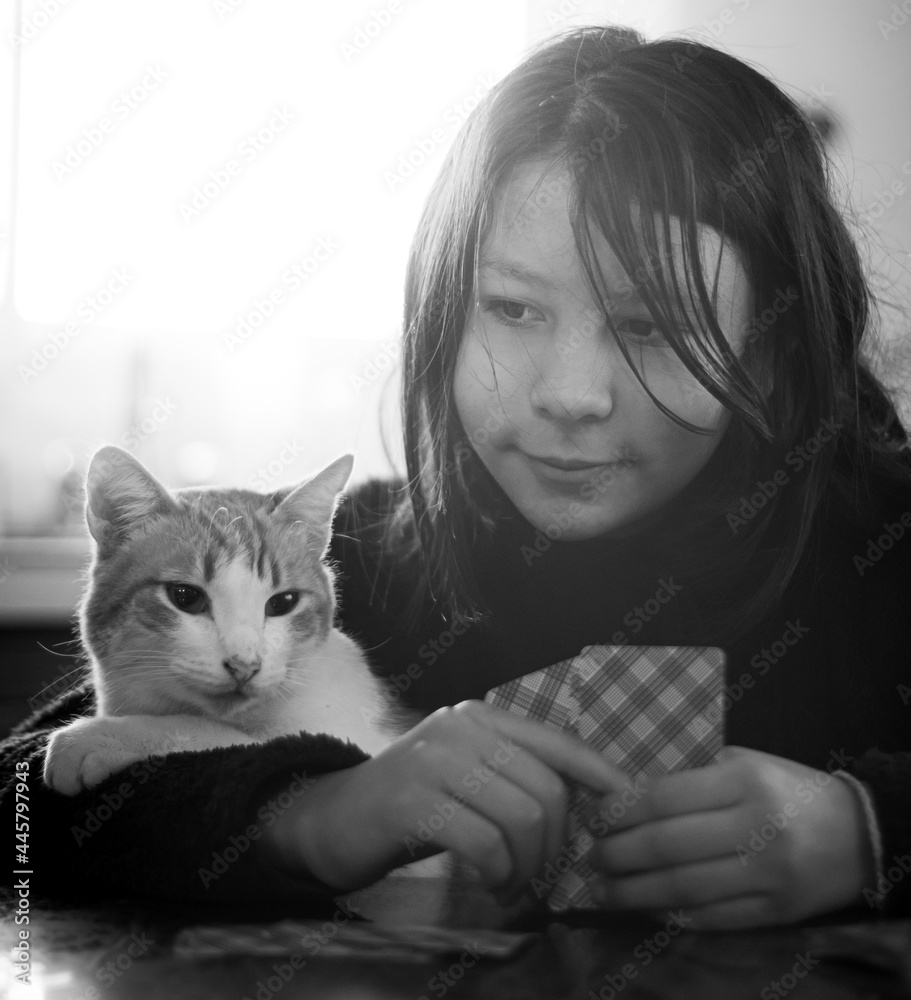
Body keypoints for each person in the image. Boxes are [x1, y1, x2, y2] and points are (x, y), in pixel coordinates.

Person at [2, 25, 909, 930]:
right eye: (511, 309)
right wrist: (302, 819)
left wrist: (868, 830)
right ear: (441, 315)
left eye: (652, 328)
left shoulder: (884, 549)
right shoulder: (368, 564)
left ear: (776, 351)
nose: (568, 395)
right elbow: (25, 794)